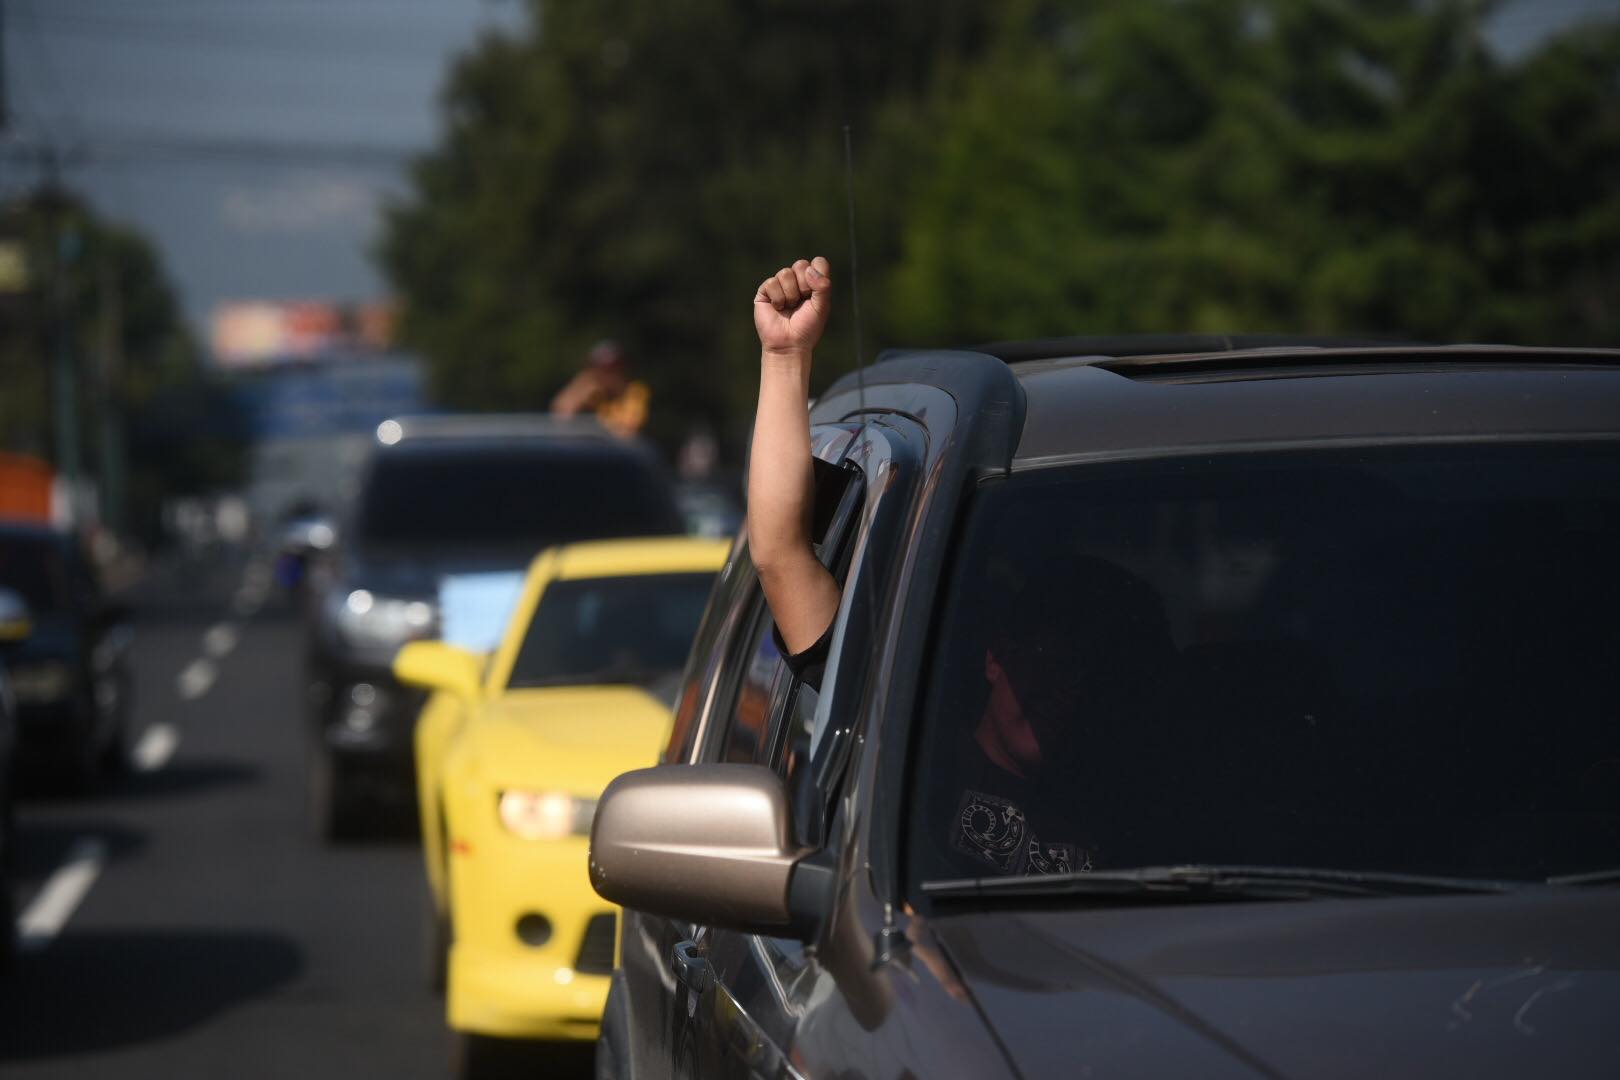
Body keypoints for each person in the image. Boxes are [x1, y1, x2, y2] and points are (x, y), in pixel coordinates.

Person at [749, 257, 1172, 878]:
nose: (1061, 690)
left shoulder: (1137, 804)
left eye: (1085, 670)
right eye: (1048, 661)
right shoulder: (901, 738)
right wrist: (786, 361)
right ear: (996, 656)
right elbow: (780, 552)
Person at [550, 340, 651, 437]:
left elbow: (629, 431)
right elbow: (560, 416)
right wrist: (578, 392)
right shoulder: (591, 393)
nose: (605, 374)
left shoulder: (635, 393)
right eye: (599, 368)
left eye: (612, 368)